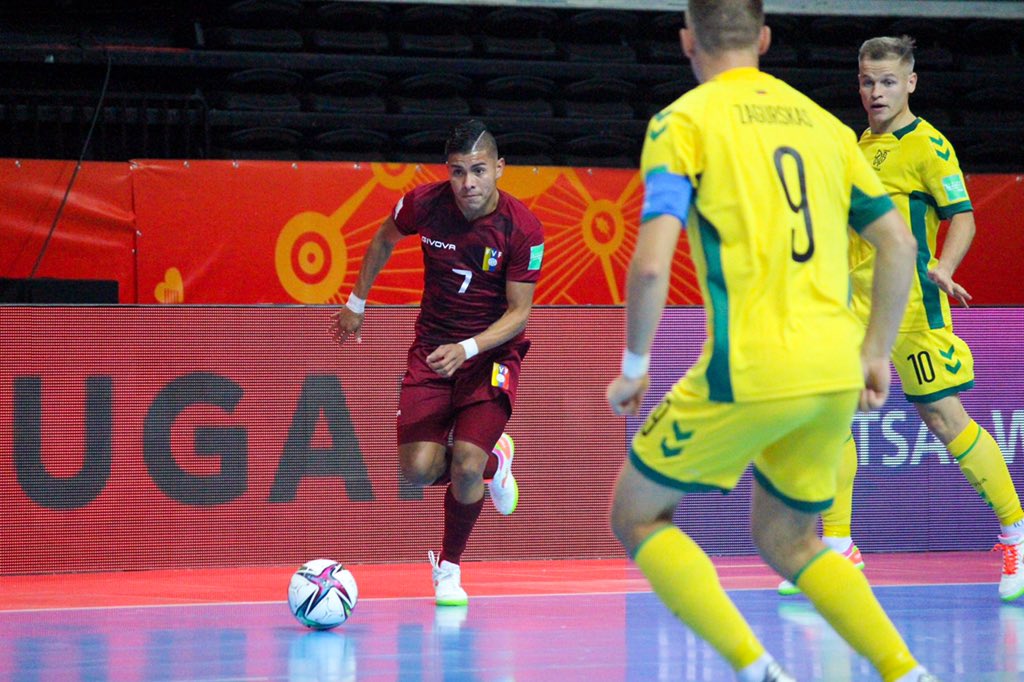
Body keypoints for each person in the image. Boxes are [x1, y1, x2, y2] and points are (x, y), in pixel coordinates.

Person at [605, 2, 936, 681]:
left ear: (686, 40)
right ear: (763, 38)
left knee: (637, 517)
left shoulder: (681, 123)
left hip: (748, 365)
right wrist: (876, 353)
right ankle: (905, 672)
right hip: (835, 369)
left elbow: (647, 265)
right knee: (789, 539)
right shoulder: (824, 126)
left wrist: (634, 367)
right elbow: (898, 243)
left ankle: (758, 671)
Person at [778, 35, 1024, 602]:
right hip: (853, 310)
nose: (876, 92)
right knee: (831, 420)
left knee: (944, 419)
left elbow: (962, 217)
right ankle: (837, 549)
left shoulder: (930, 146)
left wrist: (945, 264)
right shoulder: (857, 146)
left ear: (910, 82)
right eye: (867, 81)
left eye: (887, 81)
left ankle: (1015, 532)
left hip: (913, 306)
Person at [329, 119, 545, 606]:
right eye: (457, 171)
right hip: (432, 350)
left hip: (489, 354)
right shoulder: (424, 204)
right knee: (417, 471)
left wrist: (469, 348)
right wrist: (357, 303)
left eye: (479, 170)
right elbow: (383, 239)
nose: (468, 183)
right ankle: (497, 459)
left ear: (499, 169)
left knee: (465, 465)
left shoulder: (523, 228)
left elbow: (519, 314)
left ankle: (449, 569)